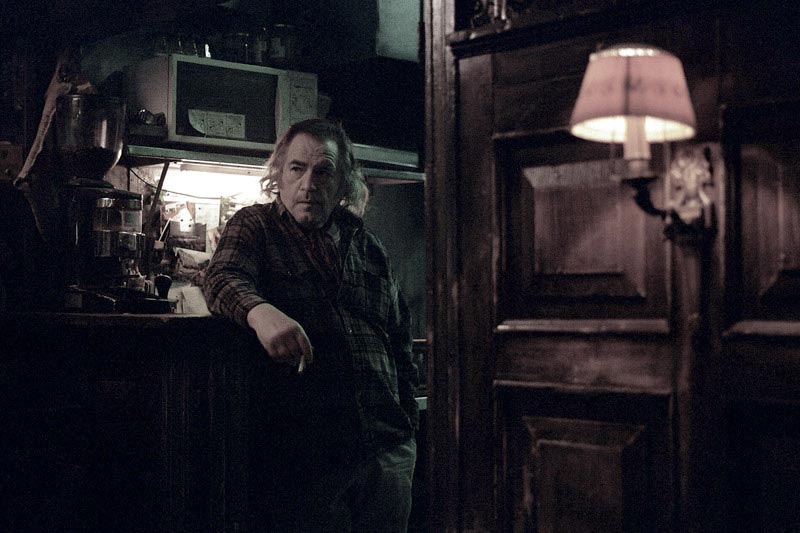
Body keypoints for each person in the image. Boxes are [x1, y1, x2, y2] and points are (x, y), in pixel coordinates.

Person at [203, 118, 419, 532]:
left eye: (323, 172)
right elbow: (221, 277)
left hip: (387, 448)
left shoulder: (368, 244)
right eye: (297, 169)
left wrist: (407, 428)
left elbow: (399, 340)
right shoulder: (255, 225)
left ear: (342, 185)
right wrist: (261, 313)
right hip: (307, 456)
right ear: (279, 175)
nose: (308, 184)